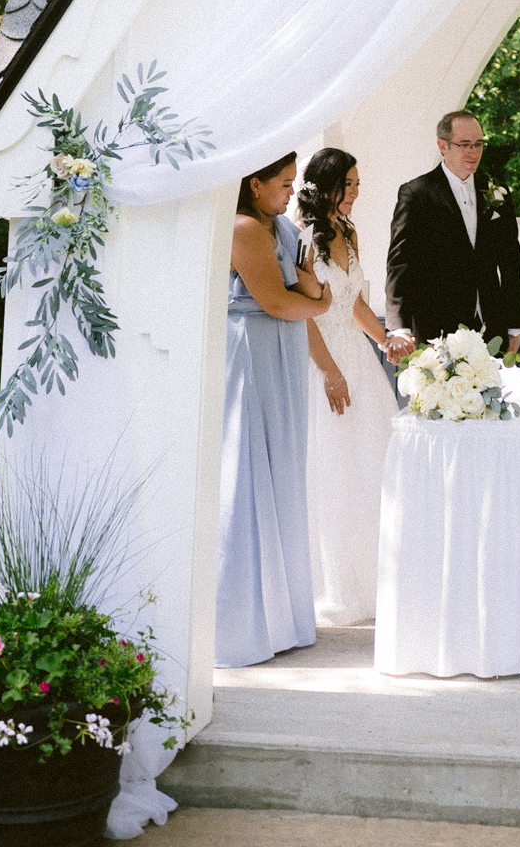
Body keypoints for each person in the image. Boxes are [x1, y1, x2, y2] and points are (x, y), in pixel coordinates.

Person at [217, 151, 330, 668]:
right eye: (283, 183)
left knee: (282, 470)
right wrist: (318, 304)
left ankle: (281, 617)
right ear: (255, 183)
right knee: (248, 470)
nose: (291, 192)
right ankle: (242, 623)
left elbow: (309, 286)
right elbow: (279, 302)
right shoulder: (242, 226)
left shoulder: (282, 226)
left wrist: (312, 298)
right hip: (250, 352)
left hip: (281, 352)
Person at [296, 148, 411, 626]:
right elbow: (304, 316)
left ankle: (376, 582)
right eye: (350, 185)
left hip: (358, 361)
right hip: (322, 362)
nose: (356, 194)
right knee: (334, 470)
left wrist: (385, 338)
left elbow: (354, 300)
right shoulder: (302, 240)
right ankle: (334, 586)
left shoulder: (349, 231)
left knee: (372, 465)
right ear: (327, 185)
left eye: (359, 184)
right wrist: (330, 372)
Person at [385, 110, 520, 354]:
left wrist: (515, 325)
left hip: (491, 328)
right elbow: (400, 264)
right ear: (443, 146)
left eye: (479, 144)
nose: (474, 152)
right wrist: (399, 327)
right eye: (465, 144)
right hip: (436, 328)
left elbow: (511, 261)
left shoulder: (497, 192)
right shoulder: (416, 193)